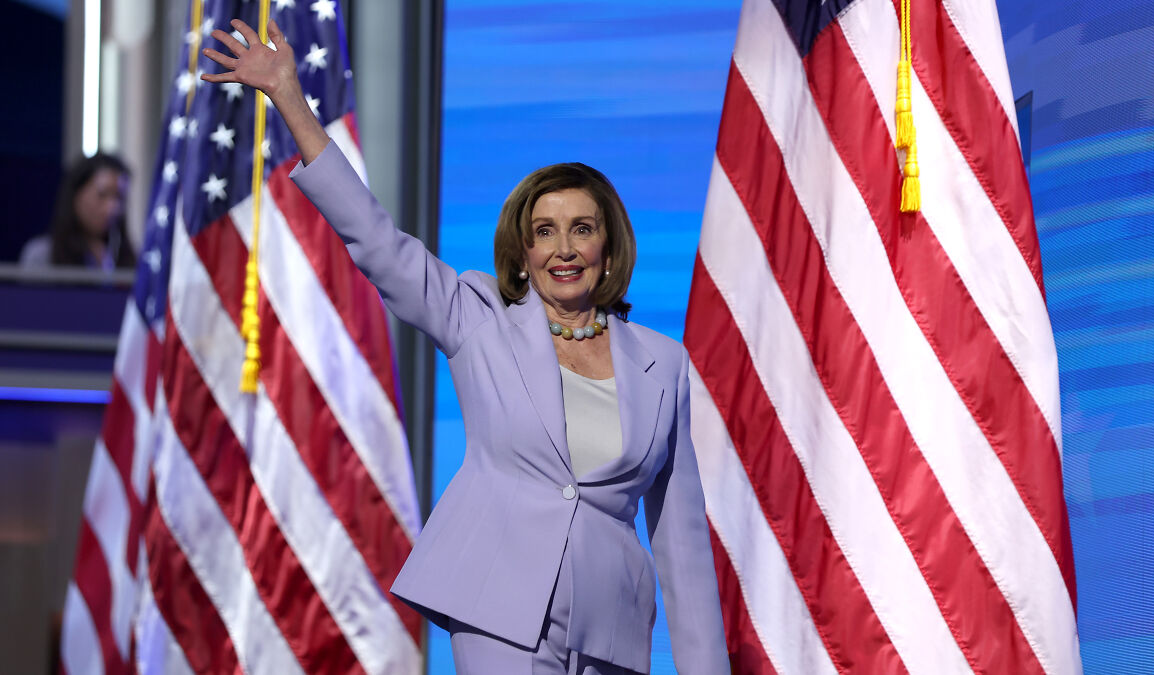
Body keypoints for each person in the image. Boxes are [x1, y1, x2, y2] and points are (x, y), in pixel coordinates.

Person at [203, 19, 729, 675]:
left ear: (609, 246)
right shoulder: (479, 318)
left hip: (609, 629)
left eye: (582, 229)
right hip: (498, 607)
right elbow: (377, 242)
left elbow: (681, 541)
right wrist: (289, 99)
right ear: (524, 249)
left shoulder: (661, 362)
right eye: (545, 232)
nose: (564, 249)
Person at [20, 153, 135, 270]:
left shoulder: (131, 260)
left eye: (119, 198)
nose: (112, 208)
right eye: (102, 195)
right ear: (76, 195)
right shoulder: (42, 255)